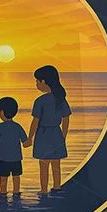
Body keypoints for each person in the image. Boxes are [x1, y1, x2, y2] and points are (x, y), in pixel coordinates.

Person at [27, 66, 70, 195]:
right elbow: (66, 118)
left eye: (37, 81)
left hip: (43, 134)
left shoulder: (40, 101)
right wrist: (63, 135)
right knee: (56, 163)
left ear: (44, 82)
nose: (36, 84)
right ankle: (57, 186)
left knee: (44, 164)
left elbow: (35, 121)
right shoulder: (60, 98)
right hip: (56, 133)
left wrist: (30, 137)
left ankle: (44, 189)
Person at [0, 96, 26, 198]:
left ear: (1, 112)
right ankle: (16, 192)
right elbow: (26, 142)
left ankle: (3, 192)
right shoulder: (18, 126)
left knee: (3, 177)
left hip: (3, 158)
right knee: (16, 177)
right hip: (16, 158)